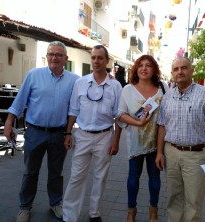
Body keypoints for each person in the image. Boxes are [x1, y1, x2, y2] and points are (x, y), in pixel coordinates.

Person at [4, 41, 80, 222]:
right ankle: (25, 207)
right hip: (35, 132)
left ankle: (56, 203)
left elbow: (74, 109)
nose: (54, 57)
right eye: (51, 54)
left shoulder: (74, 80)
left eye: (58, 55)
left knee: (56, 172)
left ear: (65, 59)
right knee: (30, 172)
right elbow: (19, 102)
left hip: (59, 133)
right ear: (47, 56)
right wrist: (9, 123)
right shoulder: (33, 75)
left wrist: (69, 133)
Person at [155, 57, 205, 222]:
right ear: (172, 74)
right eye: (176, 69)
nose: (180, 72)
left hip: (196, 155)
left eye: (184, 68)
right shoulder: (167, 97)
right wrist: (159, 153)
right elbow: (162, 126)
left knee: (193, 201)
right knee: (173, 198)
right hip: (171, 154)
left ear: (192, 71)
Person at [62, 45, 122, 222]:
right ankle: (69, 216)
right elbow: (73, 110)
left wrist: (116, 142)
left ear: (107, 61)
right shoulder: (80, 83)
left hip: (105, 136)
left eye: (100, 58)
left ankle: (94, 213)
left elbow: (119, 116)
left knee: (100, 176)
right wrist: (68, 134)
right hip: (82, 136)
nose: (96, 61)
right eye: (93, 58)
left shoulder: (115, 86)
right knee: (76, 177)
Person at [118, 55, 168, 222]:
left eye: (148, 65)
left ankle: (153, 212)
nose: (144, 68)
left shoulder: (163, 87)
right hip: (136, 142)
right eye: (140, 65)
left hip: (157, 143)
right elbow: (120, 115)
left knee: (155, 179)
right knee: (133, 178)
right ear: (136, 69)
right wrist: (138, 123)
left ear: (154, 69)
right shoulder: (127, 90)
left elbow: (167, 116)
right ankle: (131, 211)